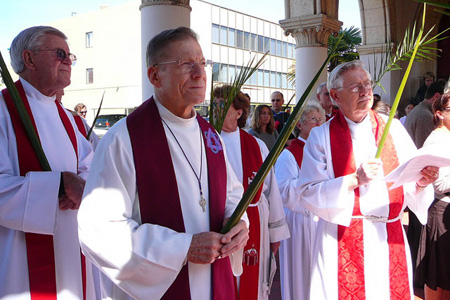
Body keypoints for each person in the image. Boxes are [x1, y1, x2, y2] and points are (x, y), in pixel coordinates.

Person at [78, 27, 249, 300]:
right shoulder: (124, 139)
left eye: (203, 63)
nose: (199, 73)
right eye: (185, 64)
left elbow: (232, 194)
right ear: (155, 76)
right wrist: (182, 248)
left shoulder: (210, 136)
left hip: (215, 282)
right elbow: (98, 228)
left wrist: (237, 222)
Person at [296, 60, 438, 299]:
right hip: (340, 237)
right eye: (355, 87)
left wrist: (423, 181)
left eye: (367, 84)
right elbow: (307, 192)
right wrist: (353, 179)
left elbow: (410, 179)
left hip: (388, 235)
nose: (365, 91)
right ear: (335, 95)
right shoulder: (321, 137)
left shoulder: (393, 128)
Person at [0, 26, 95, 299]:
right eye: (59, 53)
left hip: (72, 248)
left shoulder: (69, 119)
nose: (68, 61)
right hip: (20, 259)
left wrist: (81, 187)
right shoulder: (4, 111)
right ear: (29, 59)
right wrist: (59, 185)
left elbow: (91, 167)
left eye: (69, 55)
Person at [216, 85, 290, 300]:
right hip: (217, 222)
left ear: (239, 112)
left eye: (222, 105)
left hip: (255, 222)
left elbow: (271, 190)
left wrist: (275, 233)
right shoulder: (205, 141)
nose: (216, 110)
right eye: (214, 105)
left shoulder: (256, 145)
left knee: (252, 283)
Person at [275, 101, 325, 300]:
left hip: (320, 219)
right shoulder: (288, 155)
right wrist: (312, 187)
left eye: (321, 120)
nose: (319, 124)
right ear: (299, 125)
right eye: (313, 119)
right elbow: (283, 190)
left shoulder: (324, 152)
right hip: (300, 221)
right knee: (301, 275)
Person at [415, 93, 450, 300]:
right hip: (441, 210)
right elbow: (438, 183)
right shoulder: (437, 139)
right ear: (440, 114)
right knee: (437, 277)